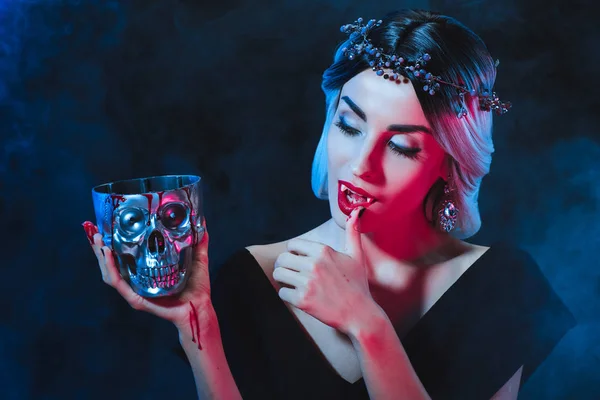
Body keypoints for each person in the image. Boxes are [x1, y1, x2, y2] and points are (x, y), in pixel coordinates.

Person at [85, 9, 576, 400]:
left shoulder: (501, 285)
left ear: (448, 164)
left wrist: (367, 324)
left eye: (402, 147)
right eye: (349, 124)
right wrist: (201, 330)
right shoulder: (248, 280)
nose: (362, 164)